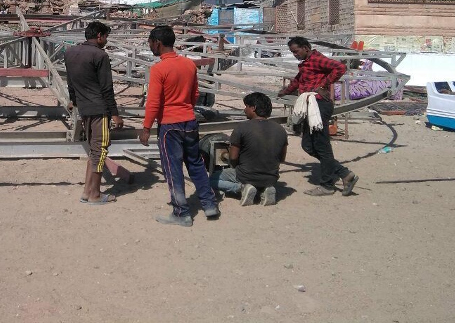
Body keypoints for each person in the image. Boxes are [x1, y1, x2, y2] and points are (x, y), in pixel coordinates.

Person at [138, 25, 219, 226]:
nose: (150, 46)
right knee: (196, 163)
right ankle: (209, 204)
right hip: (189, 121)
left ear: (157, 42)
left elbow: (154, 102)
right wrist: (185, 109)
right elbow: (195, 95)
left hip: (169, 125)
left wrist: (146, 128)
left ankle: (181, 212)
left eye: (150, 42)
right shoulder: (189, 65)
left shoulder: (158, 69)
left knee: (172, 168)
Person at [278, 37, 358, 196]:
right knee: (308, 145)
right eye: (292, 52)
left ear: (306, 47)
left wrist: (323, 85)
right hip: (310, 106)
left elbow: (340, 67)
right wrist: (285, 92)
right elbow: (298, 80)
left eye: (296, 51)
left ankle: (327, 185)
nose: (295, 54)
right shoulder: (306, 63)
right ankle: (344, 173)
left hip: (319, 105)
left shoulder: (317, 59)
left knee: (322, 146)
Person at [64, 21, 124, 205]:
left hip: (84, 109)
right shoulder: (100, 55)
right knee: (100, 151)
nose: (106, 40)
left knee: (93, 151)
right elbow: (107, 89)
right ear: (99, 35)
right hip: (99, 110)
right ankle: (95, 195)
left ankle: (86, 191)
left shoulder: (70, 53)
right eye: (105, 36)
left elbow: (71, 82)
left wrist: (73, 100)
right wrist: (115, 114)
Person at [210, 92, 288, 206]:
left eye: (246, 106)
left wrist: (237, 165)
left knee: (211, 180)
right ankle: (265, 189)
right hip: (271, 177)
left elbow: (233, 157)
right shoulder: (281, 129)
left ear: (253, 108)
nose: (245, 110)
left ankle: (241, 188)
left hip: (246, 176)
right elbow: (282, 159)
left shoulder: (241, 128)